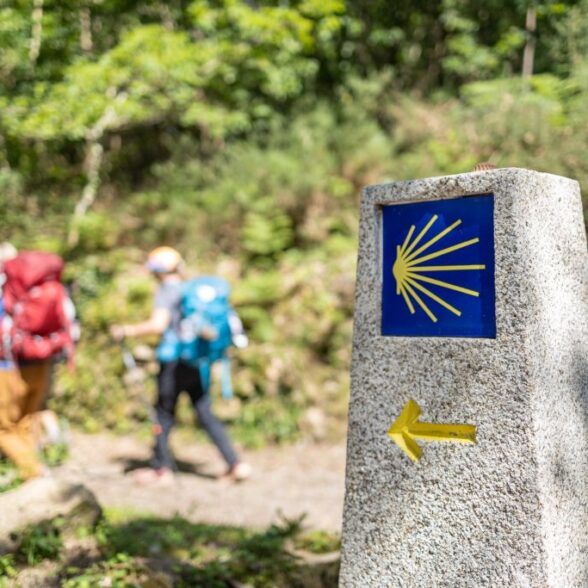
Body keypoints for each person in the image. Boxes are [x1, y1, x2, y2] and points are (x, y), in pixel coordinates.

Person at [111, 247, 250, 484]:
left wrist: (127, 330)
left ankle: (161, 469)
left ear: (157, 270)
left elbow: (158, 324)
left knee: (163, 414)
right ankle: (236, 464)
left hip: (173, 361)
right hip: (196, 361)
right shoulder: (190, 289)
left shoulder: (166, 291)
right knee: (204, 412)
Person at [0, 243, 45, 480]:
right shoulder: (39, 286)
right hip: (41, 362)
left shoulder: (6, 289)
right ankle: (34, 471)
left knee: (3, 428)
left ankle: (33, 474)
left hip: (9, 367)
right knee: (25, 422)